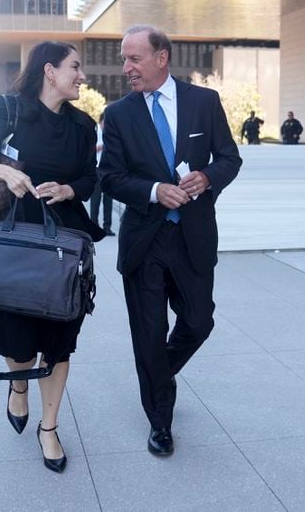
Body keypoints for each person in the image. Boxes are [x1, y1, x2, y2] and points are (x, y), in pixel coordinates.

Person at [0, 41, 105, 473]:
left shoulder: (83, 125)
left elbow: (89, 177)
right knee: (18, 339)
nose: (82, 75)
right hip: (13, 237)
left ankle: (49, 427)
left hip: (65, 239)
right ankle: (19, 385)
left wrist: (69, 189)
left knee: (60, 340)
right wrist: (5, 171)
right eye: (75, 67)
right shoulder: (8, 110)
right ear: (49, 70)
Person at [99, 25, 242, 457]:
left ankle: (157, 373)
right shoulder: (120, 113)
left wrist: (207, 178)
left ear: (162, 58)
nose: (127, 68)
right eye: (124, 59)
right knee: (148, 334)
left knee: (199, 322)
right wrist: (153, 190)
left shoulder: (204, 102)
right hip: (145, 240)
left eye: (134, 58)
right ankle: (160, 421)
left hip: (193, 236)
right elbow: (108, 177)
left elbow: (230, 158)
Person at [89, 113, 115, 236]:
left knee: (108, 200)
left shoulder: (111, 133)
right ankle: (93, 226)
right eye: (106, 122)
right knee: (95, 200)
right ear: (101, 122)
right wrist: (100, 147)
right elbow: (87, 149)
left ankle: (107, 227)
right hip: (96, 169)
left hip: (109, 170)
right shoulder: (95, 131)